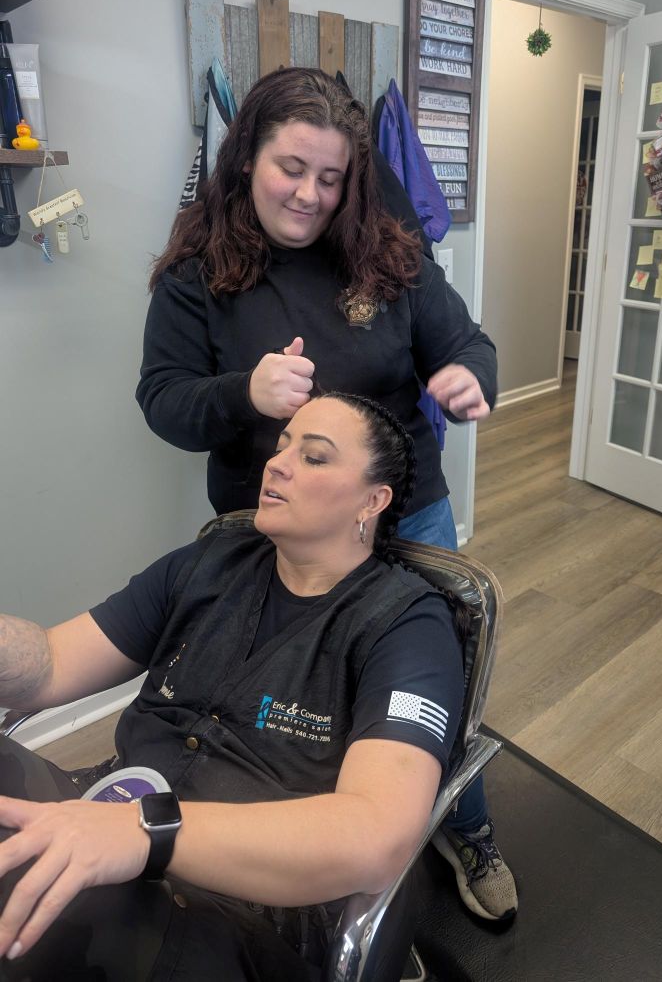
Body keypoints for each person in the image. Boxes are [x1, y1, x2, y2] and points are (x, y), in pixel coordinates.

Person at [136, 66, 515, 920]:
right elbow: (162, 401)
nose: (309, 194)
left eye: (330, 177)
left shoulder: (387, 254)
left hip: (402, 511)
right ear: (244, 163)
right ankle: (277, 854)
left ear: (353, 183)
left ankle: (468, 829)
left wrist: (464, 372)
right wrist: (244, 393)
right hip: (272, 528)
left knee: (427, 684)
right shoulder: (199, 274)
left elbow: (466, 339)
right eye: (290, 168)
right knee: (285, 699)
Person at [0, 395, 464, 980]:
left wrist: (146, 834)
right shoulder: (210, 562)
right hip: (108, 814)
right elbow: (50, 663)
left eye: (315, 457)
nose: (279, 463)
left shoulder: (406, 625)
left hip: (246, 911)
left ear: (372, 501)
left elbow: (374, 838)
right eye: (283, 445)